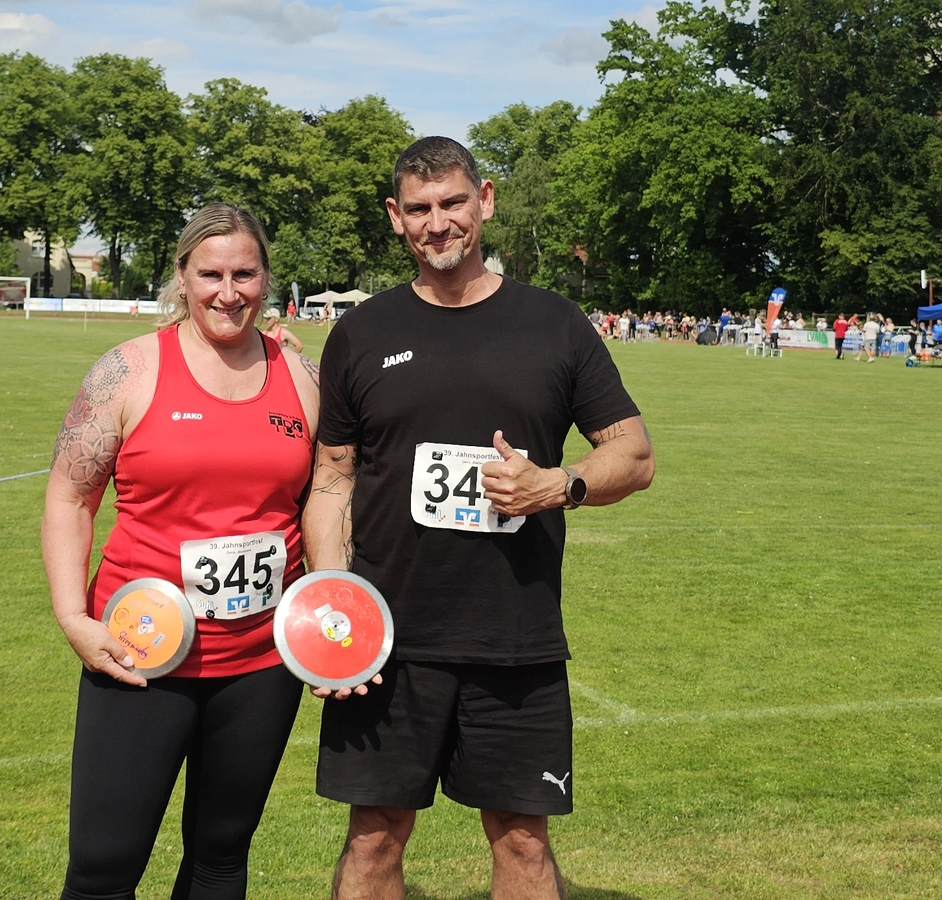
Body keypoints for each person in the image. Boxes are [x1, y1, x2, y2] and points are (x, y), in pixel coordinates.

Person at [302, 136, 655, 900]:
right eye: (420, 210)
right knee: (372, 839)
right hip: (388, 642)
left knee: (524, 846)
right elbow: (332, 478)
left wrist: (557, 485)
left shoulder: (555, 325)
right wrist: (334, 612)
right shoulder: (361, 333)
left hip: (515, 641)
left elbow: (633, 454)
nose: (439, 224)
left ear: (485, 200)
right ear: (396, 218)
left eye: (453, 204)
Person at [41, 203, 320, 900]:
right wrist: (74, 618)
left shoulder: (304, 376)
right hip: (139, 650)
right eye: (212, 274)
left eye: (245, 274)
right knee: (105, 865)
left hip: (261, 662)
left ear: (265, 276)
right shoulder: (127, 371)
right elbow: (70, 500)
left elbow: (327, 496)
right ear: (182, 276)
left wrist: (325, 611)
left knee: (221, 857)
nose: (229, 292)